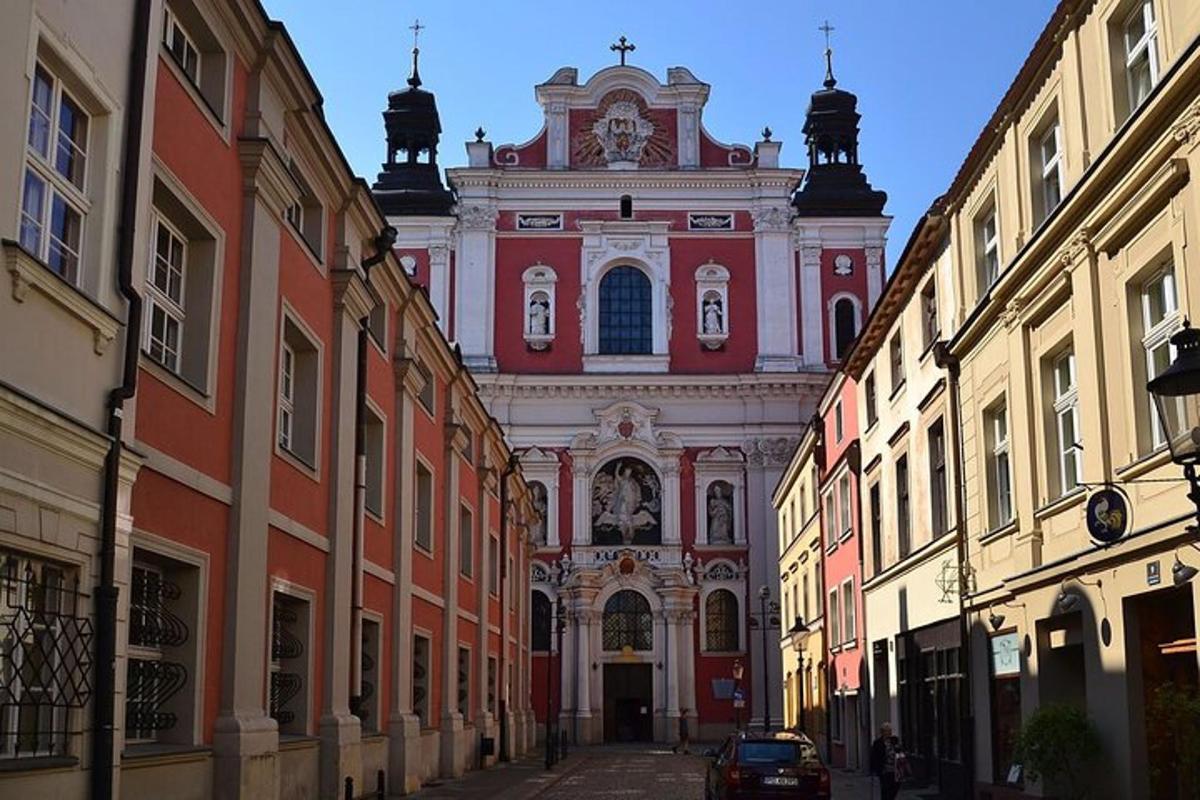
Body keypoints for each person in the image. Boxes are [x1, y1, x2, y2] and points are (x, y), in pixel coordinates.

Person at [869, 722, 903, 800]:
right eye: (887, 731)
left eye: (890, 730)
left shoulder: (894, 740)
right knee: (885, 789)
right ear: (882, 732)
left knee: (896, 786)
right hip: (884, 770)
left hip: (895, 769)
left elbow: (900, 752)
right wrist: (873, 769)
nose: (889, 732)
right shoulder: (878, 743)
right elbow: (874, 756)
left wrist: (898, 748)